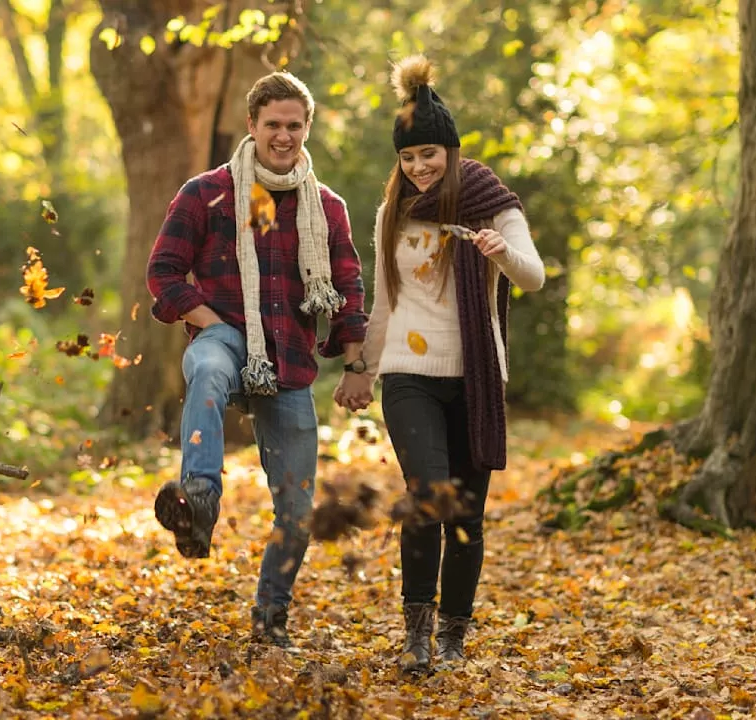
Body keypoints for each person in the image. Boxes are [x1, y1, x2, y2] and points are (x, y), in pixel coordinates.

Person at [145, 71, 371, 648]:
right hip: (224, 333)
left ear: (307, 128)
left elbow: (346, 288)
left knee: (297, 510)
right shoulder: (207, 193)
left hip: (290, 360)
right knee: (207, 368)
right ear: (252, 125)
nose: (283, 135)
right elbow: (164, 273)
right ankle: (198, 499)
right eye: (273, 124)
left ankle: (271, 618)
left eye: (294, 125)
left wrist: (355, 364)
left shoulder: (326, 207)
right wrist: (212, 324)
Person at [341, 55, 546, 673]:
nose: (419, 167)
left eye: (429, 153)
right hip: (409, 373)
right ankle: (417, 636)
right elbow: (385, 300)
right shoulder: (393, 212)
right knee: (428, 497)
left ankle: (454, 636)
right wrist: (362, 368)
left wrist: (500, 250)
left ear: (451, 151)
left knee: (465, 516)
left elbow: (533, 277)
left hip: (476, 377)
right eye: (408, 157)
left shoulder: (491, 204)